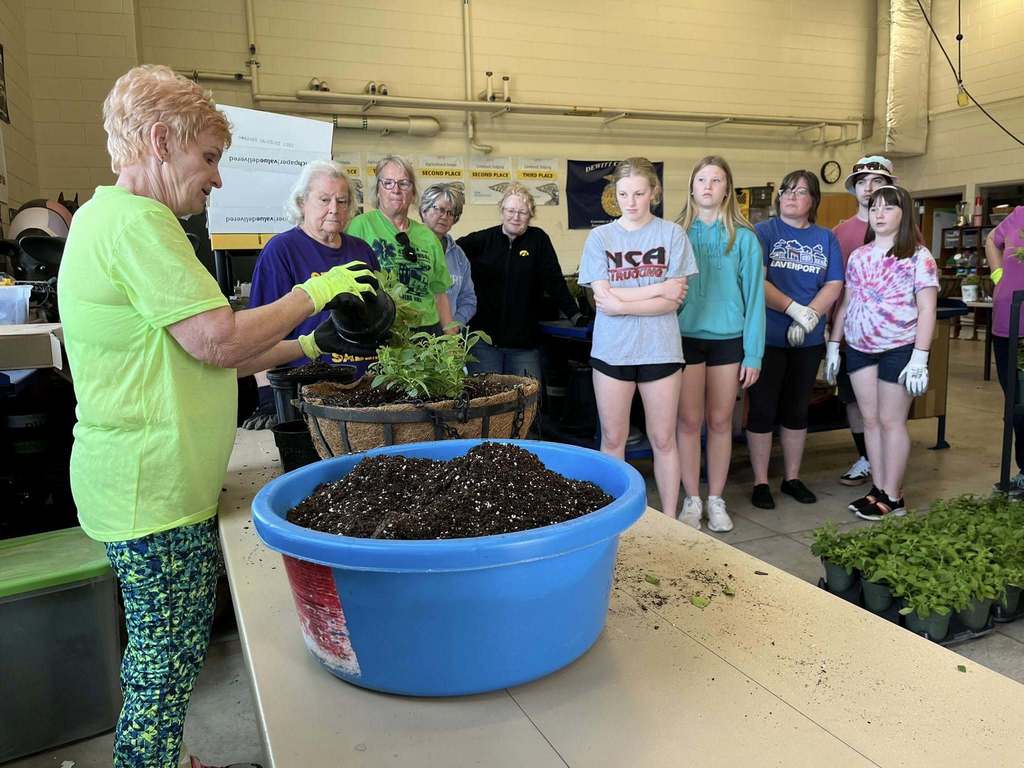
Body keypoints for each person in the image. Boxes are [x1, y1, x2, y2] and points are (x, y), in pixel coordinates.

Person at [56, 65, 379, 768]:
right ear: (160, 139)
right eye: (209, 158)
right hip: (151, 490)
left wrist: (311, 342)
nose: (217, 180)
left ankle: (166, 760)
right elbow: (218, 339)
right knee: (165, 662)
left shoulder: (111, 220)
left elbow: (205, 358)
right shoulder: (139, 223)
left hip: (147, 483)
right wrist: (313, 290)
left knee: (163, 649)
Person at [578, 157, 694, 520]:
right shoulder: (600, 237)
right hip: (613, 352)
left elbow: (672, 302)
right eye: (623, 193)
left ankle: (672, 520)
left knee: (663, 440)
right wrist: (656, 290)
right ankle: (613, 521)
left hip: (660, 351)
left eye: (639, 193)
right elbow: (603, 302)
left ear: (653, 194)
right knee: (613, 441)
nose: (630, 201)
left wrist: (623, 299)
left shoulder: (672, 235)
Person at [826, 185, 938, 519]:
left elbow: (927, 309)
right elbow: (847, 301)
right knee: (871, 421)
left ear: (904, 214)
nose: (879, 213)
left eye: (888, 208)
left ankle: (894, 495)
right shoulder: (859, 256)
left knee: (892, 421)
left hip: (899, 348)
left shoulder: (919, 256)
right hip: (859, 348)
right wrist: (835, 343)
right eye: (874, 207)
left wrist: (920, 356)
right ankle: (878, 487)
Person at [243, 160, 380, 429]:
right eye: (324, 199)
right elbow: (260, 329)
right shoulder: (282, 250)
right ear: (302, 202)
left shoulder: (362, 251)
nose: (334, 209)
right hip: (305, 390)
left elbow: (376, 317)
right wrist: (268, 394)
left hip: (362, 386)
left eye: (342, 201)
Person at [675, 156, 765, 532]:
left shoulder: (743, 238)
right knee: (689, 421)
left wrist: (754, 352)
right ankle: (692, 499)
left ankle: (716, 498)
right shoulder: (674, 234)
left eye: (717, 180)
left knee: (720, 420)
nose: (709, 186)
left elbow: (756, 297)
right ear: (692, 186)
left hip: (729, 340)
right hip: (685, 339)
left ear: (728, 189)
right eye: (702, 179)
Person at [747, 170, 843, 510]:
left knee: (797, 409)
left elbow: (833, 284)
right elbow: (757, 280)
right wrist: (794, 311)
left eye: (801, 192)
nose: (791, 196)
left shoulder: (826, 238)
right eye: (787, 190)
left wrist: (812, 316)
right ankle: (760, 481)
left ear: (813, 200)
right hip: (768, 336)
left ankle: (792, 477)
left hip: (808, 341)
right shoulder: (762, 232)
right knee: (761, 409)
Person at [457, 183, 587, 380]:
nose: (515, 217)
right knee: (488, 403)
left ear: (530, 214)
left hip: (524, 346)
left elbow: (554, 281)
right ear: (502, 210)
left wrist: (574, 314)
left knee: (527, 403)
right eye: (510, 210)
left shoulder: (539, 240)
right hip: (484, 343)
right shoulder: (481, 240)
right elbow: (447, 255)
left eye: (522, 212)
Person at [832, 156, 898, 487]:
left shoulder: (905, 230)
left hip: (892, 339)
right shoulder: (840, 232)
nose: (868, 188)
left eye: (876, 181)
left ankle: (890, 470)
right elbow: (836, 288)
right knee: (855, 401)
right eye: (861, 182)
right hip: (850, 337)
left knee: (888, 407)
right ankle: (867, 458)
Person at [347, 154, 454, 333]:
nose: (395, 189)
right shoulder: (360, 226)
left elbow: (439, 293)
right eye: (388, 183)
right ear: (378, 191)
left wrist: (450, 341)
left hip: (426, 332)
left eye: (403, 183)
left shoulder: (428, 236)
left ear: (412, 194)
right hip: (380, 328)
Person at [984, 204, 1024, 490]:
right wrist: (999, 276)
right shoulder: (1019, 215)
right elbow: (991, 240)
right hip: (1007, 324)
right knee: (1016, 401)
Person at [419, 182, 476, 329]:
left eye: (450, 213)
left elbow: (468, 299)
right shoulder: (409, 247)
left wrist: (454, 325)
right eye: (440, 209)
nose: (444, 216)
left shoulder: (459, 256)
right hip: (415, 334)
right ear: (424, 210)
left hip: (447, 338)